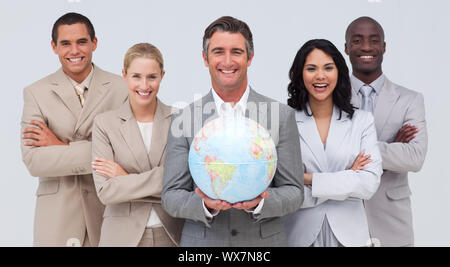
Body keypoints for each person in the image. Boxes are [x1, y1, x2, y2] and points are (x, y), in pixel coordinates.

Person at [161, 16, 304, 247]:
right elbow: (171, 196)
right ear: (205, 58)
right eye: (218, 51)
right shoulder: (184, 118)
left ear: (250, 58)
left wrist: (259, 203)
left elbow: (294, 193)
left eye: (236, 52)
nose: (227, 61)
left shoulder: (280, 116)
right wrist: (206, 206)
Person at [20, 12, 128, 247]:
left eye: (81, 42)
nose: (74, 51)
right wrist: (101, 151)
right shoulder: (36, 93)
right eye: (65, 43)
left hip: (109, 213)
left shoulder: (121, 88)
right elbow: (34, 161)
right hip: (57, 219)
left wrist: (60, 146)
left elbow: (130, 154)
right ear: (54, 47)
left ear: (94, 43)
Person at [284, 39, 382, 247]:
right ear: (301, 74)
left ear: (339, 72)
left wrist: (307, 179)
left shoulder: (362, 121)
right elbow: (285, 192)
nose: (320, 76)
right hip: (299, 236)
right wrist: (348, 178)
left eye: (328, 68)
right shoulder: (285, 122)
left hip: (351, 237)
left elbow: (368, 184)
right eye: (311, 68)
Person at [345, 17, 428, 247]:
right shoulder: (332, 98)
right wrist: (391, 145)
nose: (366, 47)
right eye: (357, 40)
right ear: (346, 48)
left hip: (393, 226)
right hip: (342, 221)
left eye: (374, 40)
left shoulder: (410, 100)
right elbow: (327, 154)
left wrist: (355, 148)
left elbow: (415, 157)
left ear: (384, 47)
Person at [91, 43, 184, 247]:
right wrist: (163, 182)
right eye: (136, 76)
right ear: (124, 75)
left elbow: (182, 182)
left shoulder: (179, 121)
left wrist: (125, 178)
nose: (144, 85)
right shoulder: (104, 124)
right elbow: (106, 191)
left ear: (162, 75)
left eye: (152, 77)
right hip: (121, 237)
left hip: (172, 234)